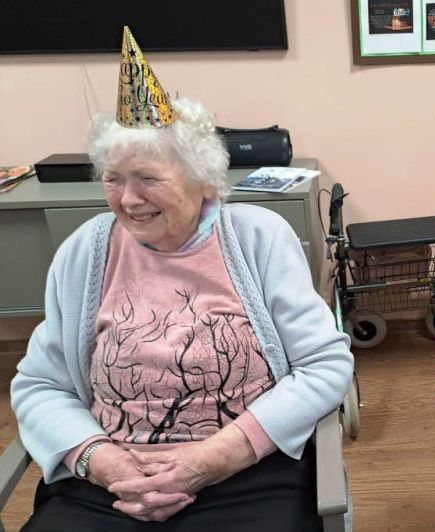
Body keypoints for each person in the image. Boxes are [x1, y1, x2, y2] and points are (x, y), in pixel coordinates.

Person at [11, 27, 352, 531]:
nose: (128, 199)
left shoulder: (258, 238)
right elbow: (41, 383)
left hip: (243, 471)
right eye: (113, 179)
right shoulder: (85, 251)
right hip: (110, 481)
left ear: (204, 180)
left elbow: (324, 364)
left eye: (148, 178)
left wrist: (211, 459)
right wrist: (100, 460)